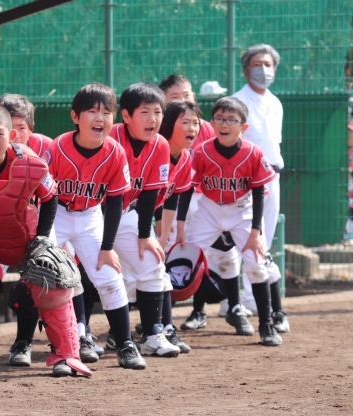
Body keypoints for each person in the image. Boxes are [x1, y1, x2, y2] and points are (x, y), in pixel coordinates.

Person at [0, 102, 92, 377]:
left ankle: (67, 354)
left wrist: (42, 240)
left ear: (12, 136)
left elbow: (51, 199)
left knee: (53, 278)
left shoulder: (30, 162)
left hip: (29, 235)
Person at [45, 83, 146, 370]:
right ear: (75, 117)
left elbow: (114, 203)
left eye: (106, 112)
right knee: (50, 276)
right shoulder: (57, 147)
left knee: (109, 277)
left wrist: (107, 247)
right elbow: (44, 196)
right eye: (91, 111)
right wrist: (45, 238)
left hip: (90, 216)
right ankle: (62, 348)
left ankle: (125, 344)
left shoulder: (115, 152)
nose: (99, 118)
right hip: (56, 213)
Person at [186, 96, 283, 346]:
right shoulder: (201, 151)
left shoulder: (253, 152)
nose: (224, 124)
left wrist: (256, 231)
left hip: (242, 210)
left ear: (243, 127)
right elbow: (187, 188)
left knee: (256, 265)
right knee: (185, 259)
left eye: (231, 119)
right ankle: (165, 322)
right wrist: (179, 226)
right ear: (211, 123)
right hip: (209, 209)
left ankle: (266, 325)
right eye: (219, 118)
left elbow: (259, 191)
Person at [0, 93, 56, 367]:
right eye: (10, 127)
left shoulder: (44, 149)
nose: (16, 134)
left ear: (30, 129)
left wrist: (43, 239)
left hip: (33, 225)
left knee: (43, 275)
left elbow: (52, 197)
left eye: (22, 127)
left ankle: (26, 342)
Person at [106, 82, 181, 359]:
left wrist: (144, 235)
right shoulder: (110, 136)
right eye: (145, 112)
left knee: (152, 261)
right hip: (90, 213)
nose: (153, 119)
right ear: (126, 115)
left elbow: (149, 194)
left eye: (158, 112)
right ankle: (81, 334)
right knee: (91, 273)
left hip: (127, 213)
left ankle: (152, 335)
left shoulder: (160, 144)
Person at [231, 44, 289, 333]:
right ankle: (240, 300)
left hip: (272, 177)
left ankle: (252, 298)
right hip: (246, 182)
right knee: (248, 238)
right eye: (257, 64)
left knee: (265, 238)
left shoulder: (275, 102)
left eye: (268, 64)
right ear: (246, 70)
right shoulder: (237, 101)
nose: (263, 70)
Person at [152, 100, 201, 353]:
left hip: (142, 217)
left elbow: (172, 197)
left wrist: (163, 237)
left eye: (196, 123)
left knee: (157, 271)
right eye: (185, 122)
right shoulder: (154, 150)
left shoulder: (184, 157)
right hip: (122, 214)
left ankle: (164, 328)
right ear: (169, 124)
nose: (192, 128)